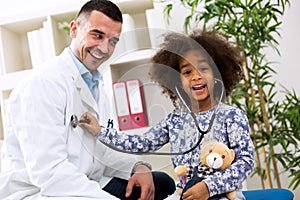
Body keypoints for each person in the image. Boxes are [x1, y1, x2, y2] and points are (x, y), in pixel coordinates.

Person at [0, 0, 175, 199]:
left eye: (113, 41)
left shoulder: (94, 83)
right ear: (74, 29)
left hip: (86, 181)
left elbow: (103, 148)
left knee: (162, 183)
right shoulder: (42, 84)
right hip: (44, 190)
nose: (105, 48)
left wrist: (138, 166)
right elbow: (50, 173)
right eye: (97, 35)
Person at [79, 30, 255, 200]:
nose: (196, 76)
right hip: (184, 195)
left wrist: (209, 187)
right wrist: (100, 131)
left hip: (222, 195)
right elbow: (141, 144)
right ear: (177, 80)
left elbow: (246, 161)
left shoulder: (232, 116)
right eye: (187, 72)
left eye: (203, 68)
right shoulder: (175, 121)